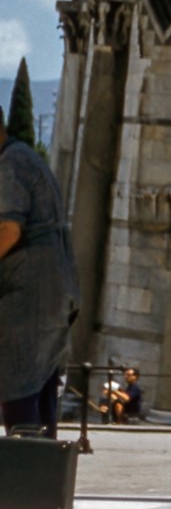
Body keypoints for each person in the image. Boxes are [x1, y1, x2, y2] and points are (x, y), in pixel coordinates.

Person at [0, 105, 79, 439]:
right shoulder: (26, 157)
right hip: (54, 289)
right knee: (40, 382)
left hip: (29, 293)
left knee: (18, 382)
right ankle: (41, 480)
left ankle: (25, 481)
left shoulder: (10, 164)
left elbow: (8, 229)